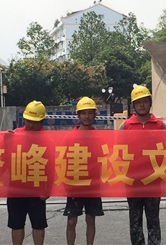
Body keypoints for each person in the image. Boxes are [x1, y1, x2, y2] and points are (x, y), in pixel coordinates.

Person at [120, 85, 166, 245]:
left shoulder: (160, 126)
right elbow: (119, 153)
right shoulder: (126, 126)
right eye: (138, 102)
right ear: (133, 105)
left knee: (153, 221)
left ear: (150, 103)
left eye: (145, 101)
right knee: (135, 223)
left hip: (154, 182)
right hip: (133, 183)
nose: (142, 105)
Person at [7, 100, 50, 245]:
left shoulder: (47, 139)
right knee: (16, 224)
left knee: (38, 224)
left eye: (35, 122)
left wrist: (48, 189)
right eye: (28, 121)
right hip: (16, 187)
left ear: (42, 122)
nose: (31, 125)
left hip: (37, 189)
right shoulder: (15, 135)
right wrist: (5, 141)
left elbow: (52, 166)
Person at [64, 97, 104, 245]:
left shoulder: (99, 137)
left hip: (93, 184)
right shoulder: (70, 137)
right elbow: (63, 160)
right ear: (78, 115)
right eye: (83, 113)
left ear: (94, 115)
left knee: (90, 219)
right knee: (71, 221)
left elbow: (105, 158)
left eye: (90, 113)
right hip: (74, 183)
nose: (86, 116)